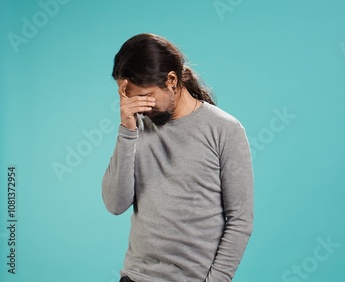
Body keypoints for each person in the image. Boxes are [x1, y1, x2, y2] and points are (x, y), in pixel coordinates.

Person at [102, 33, 254, 282]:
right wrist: (127, 130)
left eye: (145, 95)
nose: (141, 106)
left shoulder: (225, 129)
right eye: (131, 97)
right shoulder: (136, 125)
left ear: (171, 80)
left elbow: (240, 221)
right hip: (135, 276)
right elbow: (115, 204)